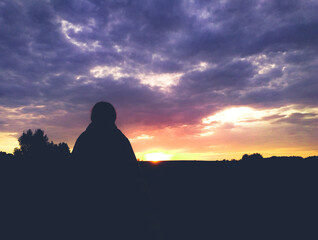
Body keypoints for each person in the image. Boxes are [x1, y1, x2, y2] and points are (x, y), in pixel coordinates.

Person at [71, 102, 149, 239]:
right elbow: (134, 176)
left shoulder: (83, 140)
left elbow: (72, 175)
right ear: (113, 117)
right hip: (118, 210)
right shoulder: (120, 140)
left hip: (86, 210)